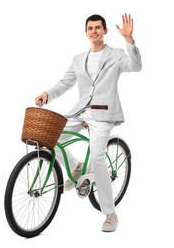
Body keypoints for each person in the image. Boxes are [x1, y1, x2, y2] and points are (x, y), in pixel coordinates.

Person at [35, 13, 142, 232]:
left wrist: (130, 40)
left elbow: (135, 66)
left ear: (105, 31)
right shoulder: (78, 58)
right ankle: (76, 167)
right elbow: (65, 82)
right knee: (46, 136)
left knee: (97, 157)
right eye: (90, 28)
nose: (94, 31)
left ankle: (110, 213)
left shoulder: (116, 55)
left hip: (104, 115)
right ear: (86, 32)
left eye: (98, 28)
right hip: (80, 113)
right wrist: (48, 94)